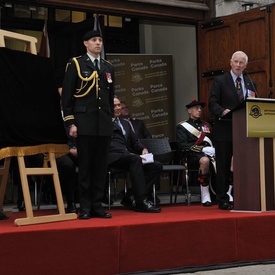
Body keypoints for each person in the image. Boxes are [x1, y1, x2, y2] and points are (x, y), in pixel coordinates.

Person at [62, 30, 115, 219]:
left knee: (100, 168)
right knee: (85, 168)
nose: (98, 43)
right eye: (94, 40)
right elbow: (67, 97)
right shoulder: (76, 63)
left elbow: (109, 98)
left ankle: (97, 206)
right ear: (86, 43)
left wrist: (110, 120)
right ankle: (84, 207)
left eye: (100, 40)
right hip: (84, 123)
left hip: (103, 125)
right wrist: (71, 123)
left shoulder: (108, 66)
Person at [208, 50, 257, 210]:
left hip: (244, 132)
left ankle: (242, 196)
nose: (238, 65)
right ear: (230, 62)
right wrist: (222, 111)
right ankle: (222, 198)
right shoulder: (220, 81)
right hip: (224, 130)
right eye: (236, 61)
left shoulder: (250, 83)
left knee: (244, 165)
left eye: (241, 62)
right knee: (223, 166)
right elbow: (212, 103)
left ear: (245, 65)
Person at [108, 96, 162, 213]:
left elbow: (134, 141)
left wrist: (143, 149)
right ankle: (141, 201)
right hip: (114, 157)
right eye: (115, 106)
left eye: (119, 105)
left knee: (156, 165)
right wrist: (130, 154)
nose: (118, 108)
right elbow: (113, 145)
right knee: (135, 159)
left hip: (128, 158)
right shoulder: (104, 122)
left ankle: (131, 196)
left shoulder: (125, 123)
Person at [176, 99, 214, 207]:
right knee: (204, 160)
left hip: (210, 154)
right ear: (189, 111)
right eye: (196, 108)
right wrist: (202, 149)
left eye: (200, 108)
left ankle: (224, 192)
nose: (199, 110)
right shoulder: (182, 126)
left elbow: (213, 140)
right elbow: (182, 145)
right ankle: (205, 193)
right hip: (192, 156)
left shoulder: (206, 125)